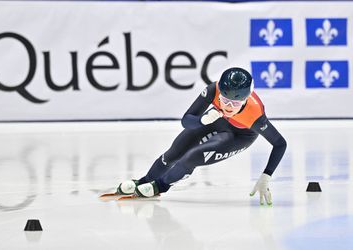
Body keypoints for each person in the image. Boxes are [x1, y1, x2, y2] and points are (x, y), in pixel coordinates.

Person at [116, 67, 287, 205]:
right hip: (217, 120)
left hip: (241, 135)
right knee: (174, 153)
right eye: (224, 100)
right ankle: (145, 180)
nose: (227, 106)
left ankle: (160, 186)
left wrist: (266, 176)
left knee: (192, 157)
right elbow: (186, 120)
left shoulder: (255, 115)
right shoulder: (214, 89)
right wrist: (203, 120)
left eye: (234, 104)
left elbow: (280, 143)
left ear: (245, 100)